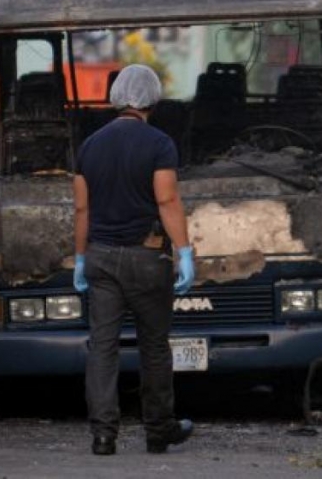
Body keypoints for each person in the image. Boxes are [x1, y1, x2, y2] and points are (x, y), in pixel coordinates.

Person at [72, 64, 196, 455]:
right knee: (154, 346)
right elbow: (166, 199)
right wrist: (185, 251)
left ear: (116, 98)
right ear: (152, 99)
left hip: (101, 259)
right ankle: (159, 429)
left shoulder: (89, 146)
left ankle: (103, 435)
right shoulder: (159, 143)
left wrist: (79, 259)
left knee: (103, 346)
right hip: (146, 257)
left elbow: (81, 211)